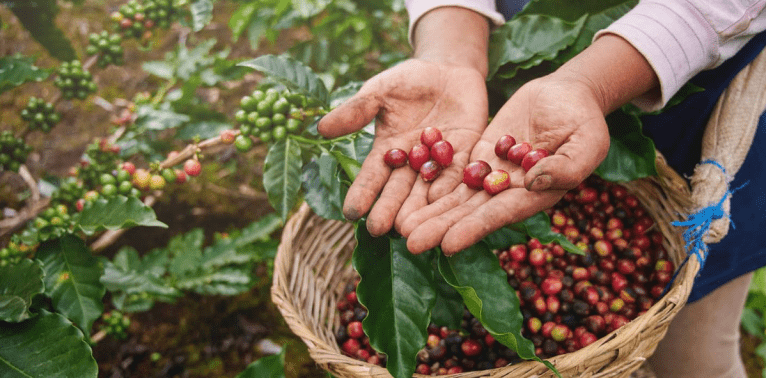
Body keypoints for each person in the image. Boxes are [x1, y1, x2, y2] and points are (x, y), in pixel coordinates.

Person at [317, 1, 766, 377]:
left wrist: (594, 81)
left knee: (700, 348)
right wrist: (452, 43)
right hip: (519, 75)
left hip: (705, 71)